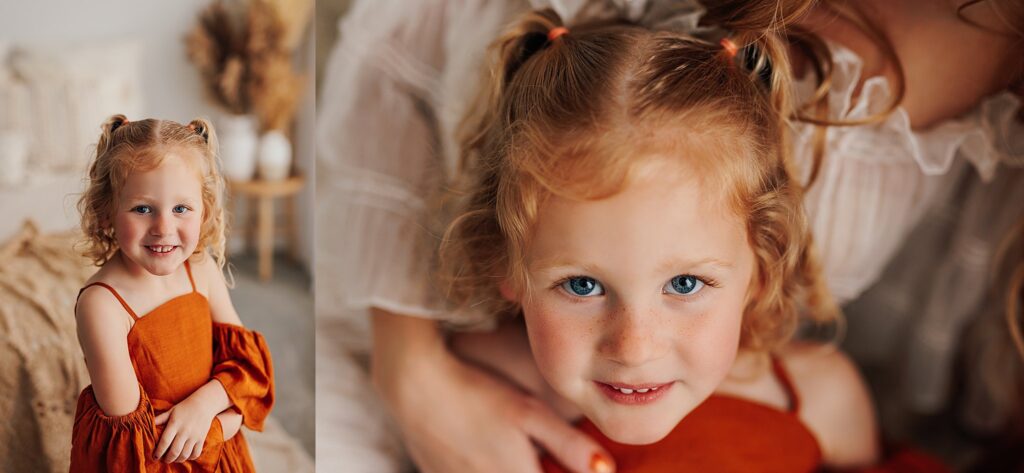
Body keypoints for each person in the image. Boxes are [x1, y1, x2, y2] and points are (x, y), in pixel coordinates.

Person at [315, 0, 1023, 471]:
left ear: (761, 269)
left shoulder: (821, 398)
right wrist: (412, 369)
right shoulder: (487, 382)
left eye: (685, 283)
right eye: (583, 285)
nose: (634, 347)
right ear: (510, 267)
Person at [70, 115, 274, 471]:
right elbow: (138, 447)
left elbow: (249, 369)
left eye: (181, 208)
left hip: (218, 454)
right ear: (107, 213)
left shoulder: (201, 269)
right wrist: (229, 419)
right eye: (142, 209)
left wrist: (205, 405)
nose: (164, 228)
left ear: (204, 211)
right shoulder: (101, 305)